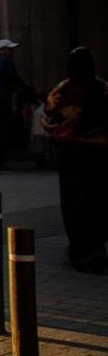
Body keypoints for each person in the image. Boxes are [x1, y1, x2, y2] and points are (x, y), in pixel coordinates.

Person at [42, 47, 108, 274]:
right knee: (97, 199)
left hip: (71, 155)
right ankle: (97, 247)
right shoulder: (102, 88)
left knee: (74, 202)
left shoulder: (62, 91)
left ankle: (80, 250)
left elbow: (49, 120)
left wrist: (66, 132)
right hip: (99, 154)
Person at [0, 38, 36, 174]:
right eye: (9, 49)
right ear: (2, 50)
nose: (12, 52)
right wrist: (29, 90)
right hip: (0, 101)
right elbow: (13, 79)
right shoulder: (6, 62)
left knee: (0, 133)